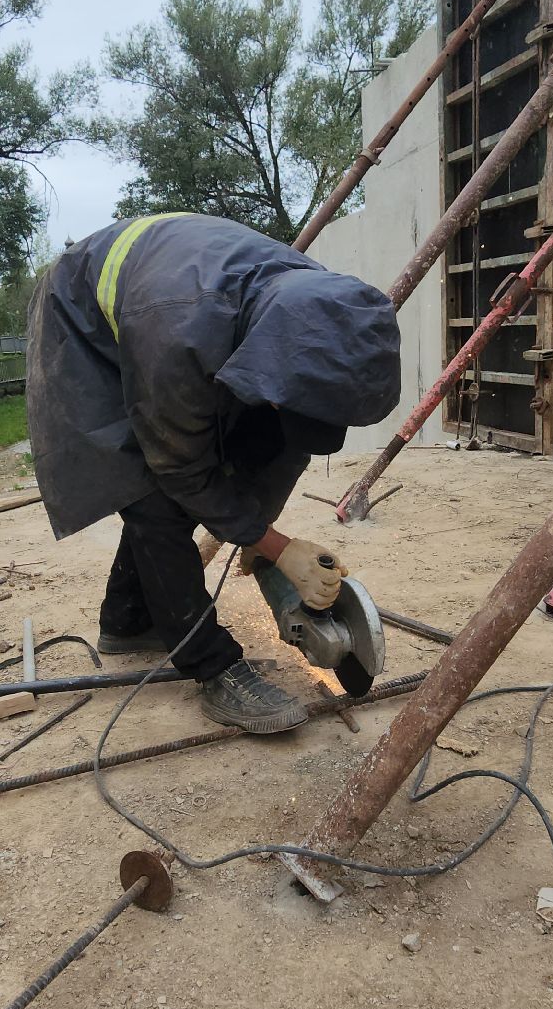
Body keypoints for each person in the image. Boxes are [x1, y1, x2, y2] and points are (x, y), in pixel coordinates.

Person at [26, 213, 401, 734]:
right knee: (150, 489)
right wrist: (272, 542)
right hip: (86, 317)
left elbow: (284, 443)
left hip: (182, 299)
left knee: (247, 441)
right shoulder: (179, 337)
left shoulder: (317, 314)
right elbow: (178, 465)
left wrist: (258, 535)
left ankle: (128, 621)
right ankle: (212, 666)